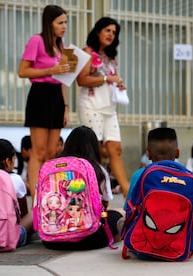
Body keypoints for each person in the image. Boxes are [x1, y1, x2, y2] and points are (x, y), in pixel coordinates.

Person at [18, 4, 71, 201]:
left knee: (51, 152)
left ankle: (51, 192)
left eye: (66, 22)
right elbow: (23, 71)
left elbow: (65, 80)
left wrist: (66, 107)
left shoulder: (62, 47)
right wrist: (50, 71)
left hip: (57, 96)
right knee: (38, 151)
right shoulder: (36, 40)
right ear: (49, 23)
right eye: (60, 22)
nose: (64, 26)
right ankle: (35, 193)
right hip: (40, 94)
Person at [76, 17, 129, 198]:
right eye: (107, 30)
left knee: (115, 149)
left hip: (109, 108)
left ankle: (128, 194)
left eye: (114, 32)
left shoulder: (111, 57)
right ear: (98, 31)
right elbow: (81, 80)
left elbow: (109, 80)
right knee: (94, 150)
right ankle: (93, 190)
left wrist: (118, 84)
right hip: (91, 106)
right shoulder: (87, 53)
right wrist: (107, 79)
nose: (111, 35)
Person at [49, 125, 124, 249]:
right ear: (95, 147)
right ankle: (114, 237)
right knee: (121, 213)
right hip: (89, 239)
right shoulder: (98, 170)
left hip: (53, 239)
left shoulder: (54, 168)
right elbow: (104, 207)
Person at [125, 127, 179, 208]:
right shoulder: (187, 176)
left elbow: (128, 208)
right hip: (180, 220)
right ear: (177, 153)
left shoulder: (139, 175)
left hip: (147, 220)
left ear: (148, 154)